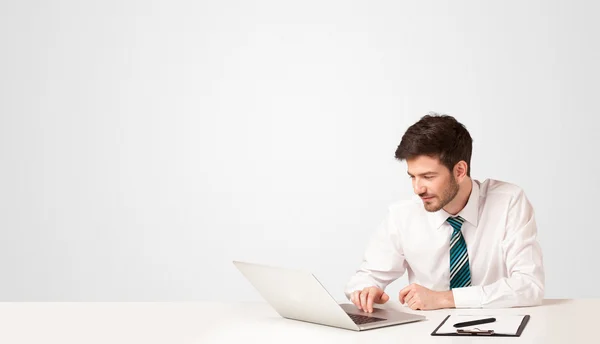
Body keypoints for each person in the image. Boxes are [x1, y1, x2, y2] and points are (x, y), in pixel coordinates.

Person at [345, 113, 544, 312]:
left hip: (497, 328)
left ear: (459, 171)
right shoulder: (403, 215)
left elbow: (529, 286)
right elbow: (365, 278)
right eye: (412, 177)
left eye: (428, 177)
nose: (417, 189)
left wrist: (443, 299)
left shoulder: (508, 202)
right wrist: (366, 291)